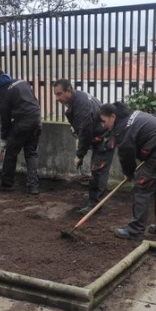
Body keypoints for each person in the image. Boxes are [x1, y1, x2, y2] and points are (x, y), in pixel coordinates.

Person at [99, 101, 156, 240]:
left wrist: (129, 173)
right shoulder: (133, 115)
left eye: (104, 121)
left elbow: (126, 154)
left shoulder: (122, 128)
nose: (103, 126)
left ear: (112, 116)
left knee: (142, 187)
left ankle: (135, 230)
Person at [53, 79, 114, 215]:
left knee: (98, 171)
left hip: (104, 138)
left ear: (69, 90)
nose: (57, 98)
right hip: (99, 135)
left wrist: (79, 155)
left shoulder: (81, 105)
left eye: (59, 94)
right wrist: (76, 130)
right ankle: (94, 199)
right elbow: (83, 127)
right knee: (97, 170)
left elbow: (85, 132)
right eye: (55, 95)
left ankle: (95, 206)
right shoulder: (77, 97)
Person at [0, 68, 42, 194]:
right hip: (37, 120)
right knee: (31, 153)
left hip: (22, 124)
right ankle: (33, 186)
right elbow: (35, 101)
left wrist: (4, 139)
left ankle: (7, 183)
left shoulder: (2, 92)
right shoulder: (22, 82)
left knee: (11, 153)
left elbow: (5, 119)